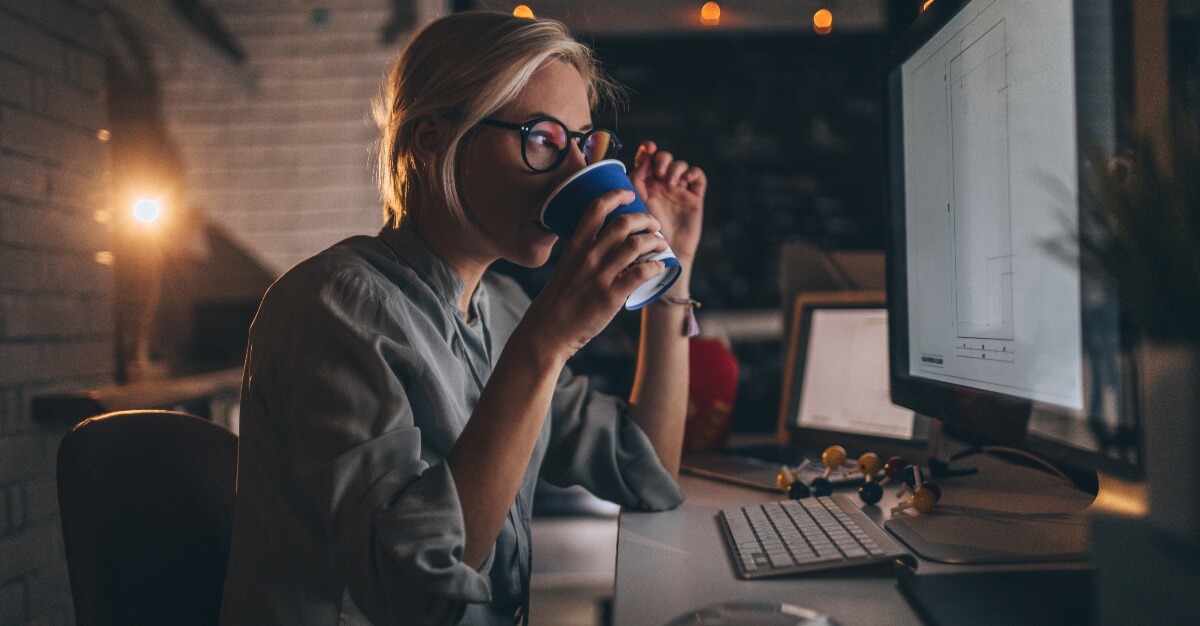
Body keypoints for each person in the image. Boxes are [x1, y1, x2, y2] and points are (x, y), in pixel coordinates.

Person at [220, 10, 707, 626]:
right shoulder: (331, 305)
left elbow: (647, 473)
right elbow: (412, 596)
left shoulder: (503, 307)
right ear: (431, 139)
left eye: (582, 143)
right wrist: (548, 341)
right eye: (542, 138)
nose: (577, 172)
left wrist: (672, 274)